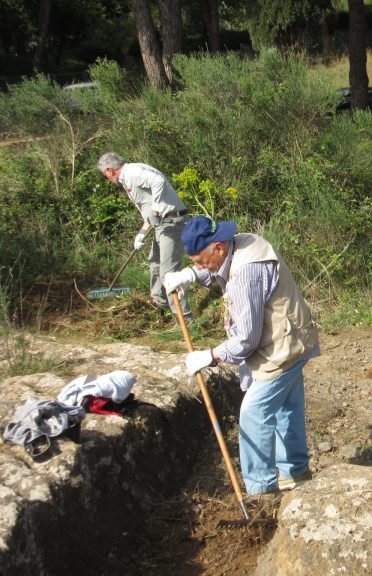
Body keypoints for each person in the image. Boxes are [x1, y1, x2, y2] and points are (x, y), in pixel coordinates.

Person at [163, 216, 319, 497]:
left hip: (281, 348)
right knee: (286, 407)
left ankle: (262, 491)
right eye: (195, 261)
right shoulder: (239, 244)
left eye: (199, 260)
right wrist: (191, 275)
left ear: (219, 247)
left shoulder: (247, 271)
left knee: (254, 413)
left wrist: (211, 356)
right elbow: (217, 271)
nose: (199, 265)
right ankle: (295, 473)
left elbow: (247, 339)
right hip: (294, 335)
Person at [97, 152, 192, 321]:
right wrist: (141, 234)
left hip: (171, 222)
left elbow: (158, 181)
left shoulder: (132, 172)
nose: (108, 180)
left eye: (105, 176)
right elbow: (148, 211)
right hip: (160, 225)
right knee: (154, 263)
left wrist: (155, 210)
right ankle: (162, 308)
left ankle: (185, 320)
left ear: (110, 171)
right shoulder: (128, 179)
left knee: (168, 273)